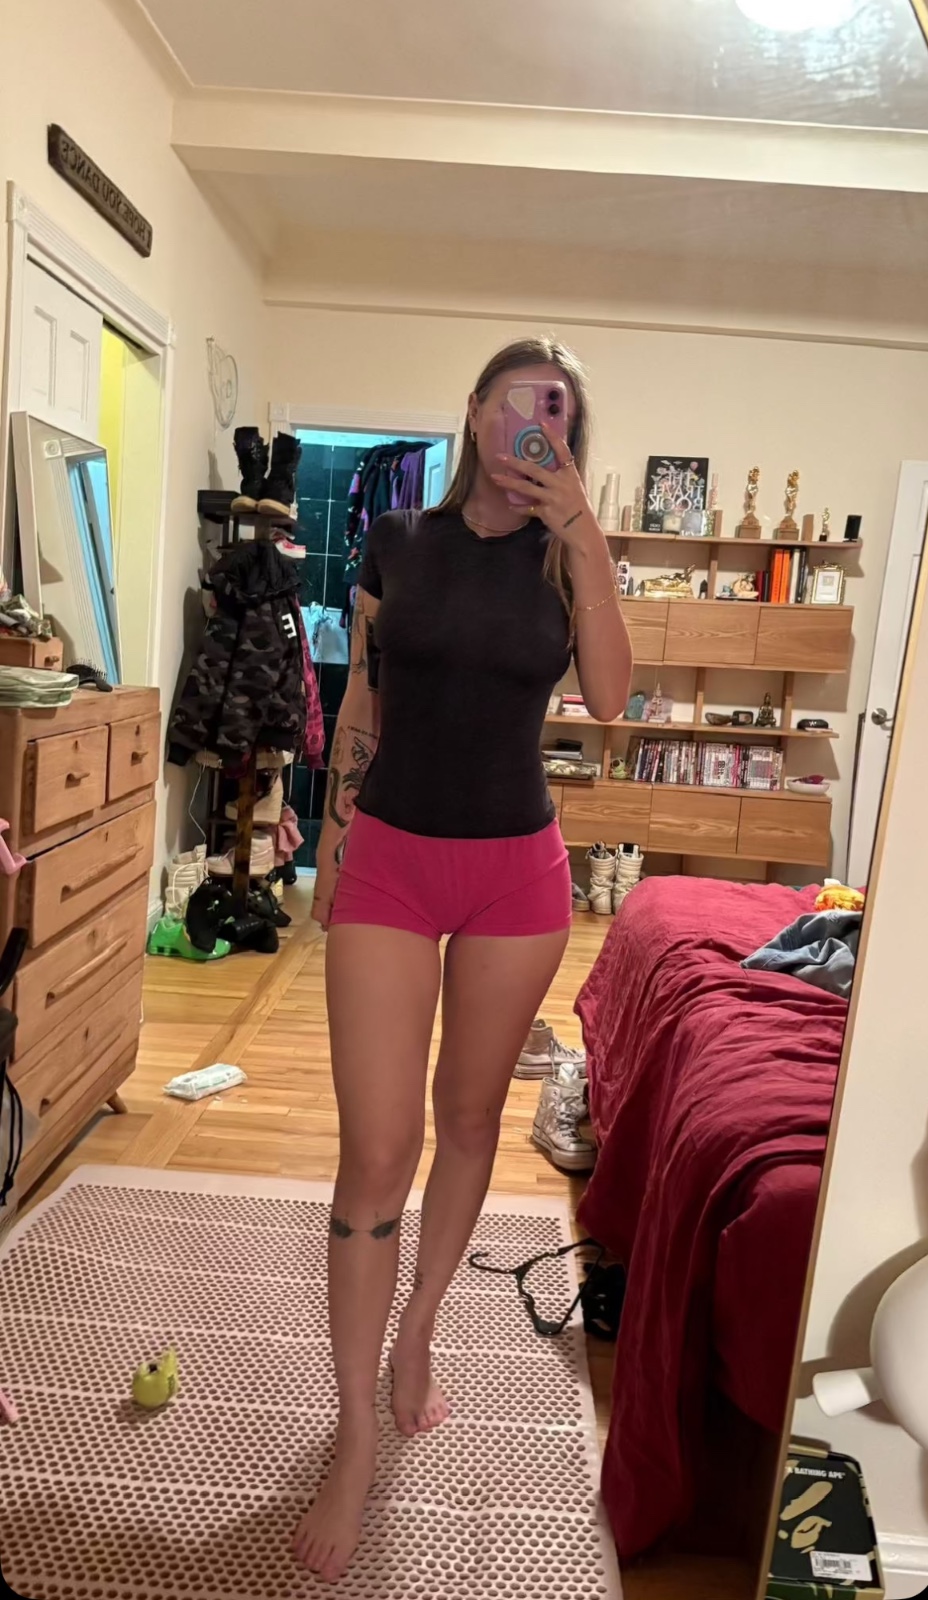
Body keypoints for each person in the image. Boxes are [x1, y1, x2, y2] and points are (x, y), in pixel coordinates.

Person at [293, 337, 633, 1581]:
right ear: (477, 409)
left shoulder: (566, 558)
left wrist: (586, 535)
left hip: (515, 875)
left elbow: (611, 697)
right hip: (388, 855)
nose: (534, 425)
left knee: (470, 1117)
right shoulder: (397, 541)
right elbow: (362, 709)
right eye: (517, 401)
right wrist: (330, 849)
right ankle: (352, 1435)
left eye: (559, 414)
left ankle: (419, 1330)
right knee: (376, 1148)